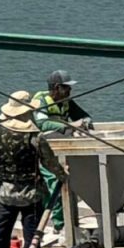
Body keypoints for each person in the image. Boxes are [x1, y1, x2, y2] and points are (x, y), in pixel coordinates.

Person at [0, 91, 65, 248]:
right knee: (33, 237)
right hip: (32, 194)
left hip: (6, 193)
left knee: (0, 235)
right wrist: (63, 174)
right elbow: (50, 163)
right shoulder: (36, 138)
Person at [31, 70, 90, 233]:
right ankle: (59, 226)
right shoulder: (41, 101)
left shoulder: (66, 101)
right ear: (56, 88)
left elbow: (83, 115)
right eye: (66, 88)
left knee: (67, 184)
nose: (70, 91)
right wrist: (70, 126)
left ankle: (66, 221)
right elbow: (43, 124)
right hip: (43, 152)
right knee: (54, 185)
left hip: (61, 149)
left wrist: (85, 122)